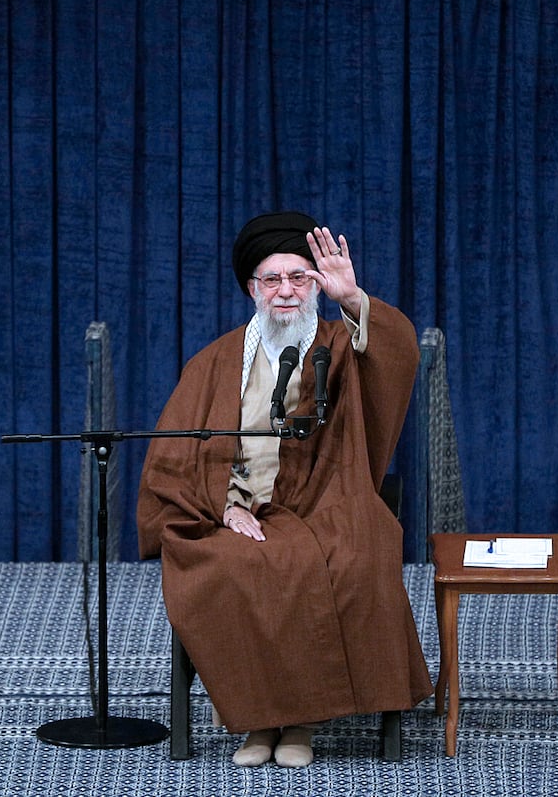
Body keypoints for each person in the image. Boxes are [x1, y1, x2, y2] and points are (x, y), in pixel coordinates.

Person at [137, 211, 432, 768]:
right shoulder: (214, 362)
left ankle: (299, 722)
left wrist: (353, 300)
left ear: (317, 284)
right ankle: (257, 723)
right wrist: (222, 507)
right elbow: (173, 458)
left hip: (325, 500)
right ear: (253, 288)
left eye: (300, 277)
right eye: (272, 279)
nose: (286, 291)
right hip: (233, 508)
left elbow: (397, 354)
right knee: (229, 566)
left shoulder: (337, 346)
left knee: (350, 556)